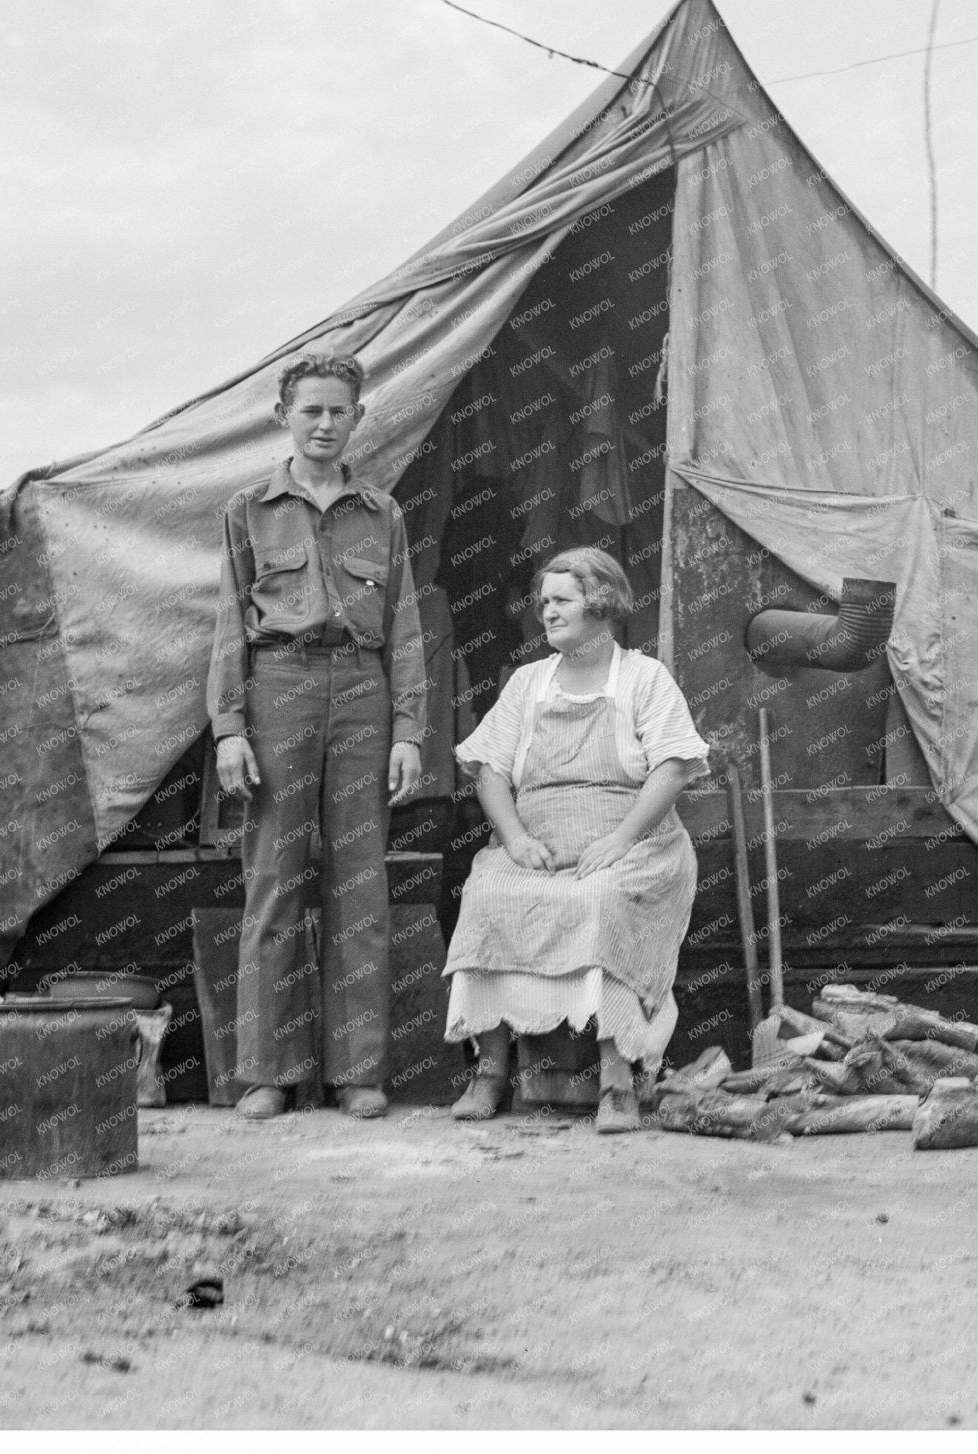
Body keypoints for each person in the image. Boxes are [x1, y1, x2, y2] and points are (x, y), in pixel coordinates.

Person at [206, 351, 425, 1120]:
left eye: (339, 411)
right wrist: (229, 729)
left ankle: (357, 1071)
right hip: (280, 690)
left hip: (363, 692)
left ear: (358, 417)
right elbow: (229, 623)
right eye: (312, 411)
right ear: (284, 417)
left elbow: (404, 626)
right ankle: (267, 1073)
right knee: (275, 880)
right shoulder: (248, 509)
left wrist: (408, 731)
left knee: (359, 884)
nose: (326, 424)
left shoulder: (382, 512)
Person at [443, 547, 708, 1133]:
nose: (548, 612)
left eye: (562, 600)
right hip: (539, 844)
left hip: (634, 842)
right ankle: (490, 1071)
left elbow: (672, 768)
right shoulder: (528, 682)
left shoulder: (644, 677)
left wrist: (620, 839)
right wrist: (514, 839)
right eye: (544, 602)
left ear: (601, 603)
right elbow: (489, 770)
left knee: (599, 901)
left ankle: (617, 1080)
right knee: (486, 895)